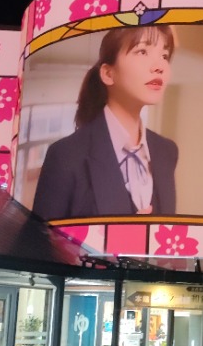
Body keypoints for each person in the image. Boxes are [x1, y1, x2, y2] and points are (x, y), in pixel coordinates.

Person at [32, 25, 178, 221]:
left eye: (164, 55)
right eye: (142, 51)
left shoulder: (166, 151)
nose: (159, 66)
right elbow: (39, 247)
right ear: (108, 74)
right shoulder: (66, 155)